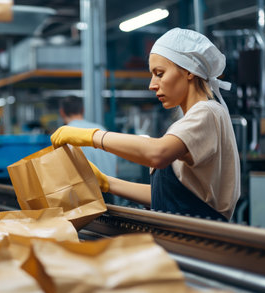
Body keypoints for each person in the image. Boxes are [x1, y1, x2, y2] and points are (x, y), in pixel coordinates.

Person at [51, 28, 240, 222]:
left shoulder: (208, 111)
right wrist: (105, 182)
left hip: (200, 241)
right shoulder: (191, 119)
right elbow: (166, 198)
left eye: (159, 73)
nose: (152, 84)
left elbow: (157, 153)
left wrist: (92, 136)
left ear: (188, 71)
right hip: (183, 235)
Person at [58, 95, 117, 178]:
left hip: (86, 190)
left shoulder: (64, 135)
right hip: (113, 187)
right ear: (83, 110)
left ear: (62, 112)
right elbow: (116, 167)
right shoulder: (101, 129)